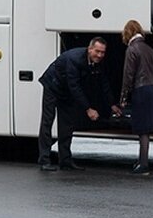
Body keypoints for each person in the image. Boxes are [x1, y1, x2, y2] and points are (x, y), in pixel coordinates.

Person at [37, 37, 118, 171]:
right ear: (90, 49)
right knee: (47, 121)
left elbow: (104, 83)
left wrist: (112, 104)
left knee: (67, 125)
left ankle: (65, 161)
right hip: (53, 86)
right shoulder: (74, 59)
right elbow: (74, 86)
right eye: (97, 51)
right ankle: (44, 160)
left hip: (66, 89)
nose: (100, 55)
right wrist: (88, 109)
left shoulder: (98, 62)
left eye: (103, 52)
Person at [118, 20, 153, 175]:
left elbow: (128, 75)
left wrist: (123, 97)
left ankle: (143, 164)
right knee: (146, 129)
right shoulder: (149, 49)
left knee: (142, 130)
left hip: (140, 90)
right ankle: (142, 161)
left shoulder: (132, 49)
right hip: (151, 89)